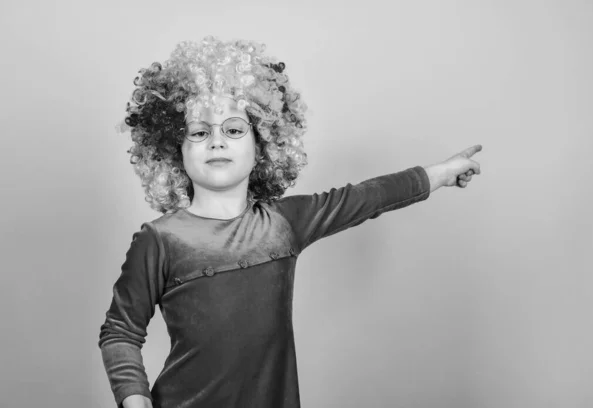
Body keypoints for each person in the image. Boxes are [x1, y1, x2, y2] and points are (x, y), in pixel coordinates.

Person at [98, 36, 482, 408]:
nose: (216, 142)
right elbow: (120, 331)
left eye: (233, 129)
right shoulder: (160, 239)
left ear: (262, 143)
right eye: (199, 133)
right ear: (172, 149)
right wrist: (136, 402)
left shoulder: (284, 223)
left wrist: (443, 173)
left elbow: (368, 197)